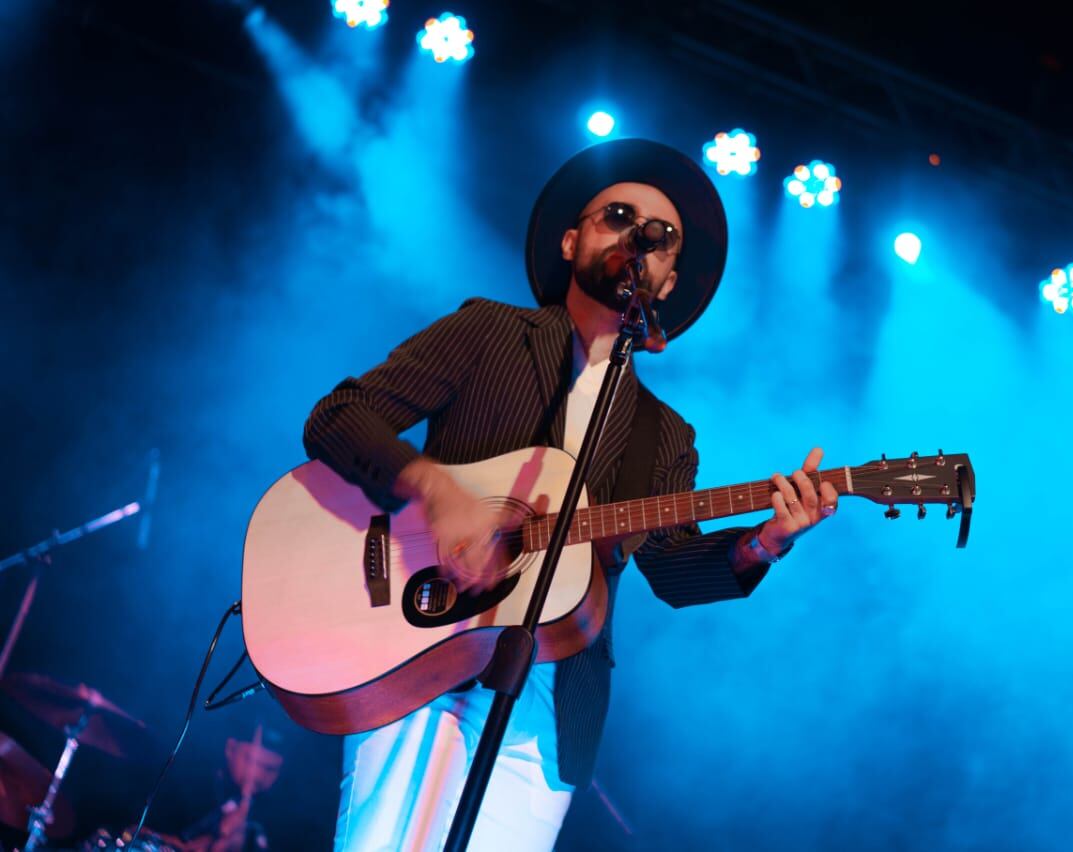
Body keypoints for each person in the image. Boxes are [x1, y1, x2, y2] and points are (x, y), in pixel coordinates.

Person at [302, 138, 839, 851]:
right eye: (617, 215)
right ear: (571, 239)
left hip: (551, 707)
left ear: (669, 282)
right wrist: (432, 486)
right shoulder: (488, 332)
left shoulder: (665, 434)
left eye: (660, 236)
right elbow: (338, 418)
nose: (636, 236)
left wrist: (764, 543)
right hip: (423, 648)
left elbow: (673, 571)